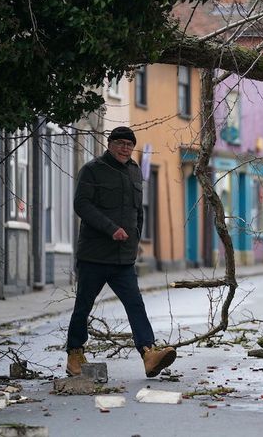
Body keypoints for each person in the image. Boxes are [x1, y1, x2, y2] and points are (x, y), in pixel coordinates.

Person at [65, 126, 177, 378]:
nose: (125, 148)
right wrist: (110, 228)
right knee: (83, 306)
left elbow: (139, 211)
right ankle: (74, 353)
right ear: (110, 144)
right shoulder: (93, 170)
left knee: (135, 304)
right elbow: (81, 204)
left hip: (123, 258)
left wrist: (136, 237)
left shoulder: (135, 171)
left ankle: (149, 353)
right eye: (120, 143)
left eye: (129, 144)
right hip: (94, 255)